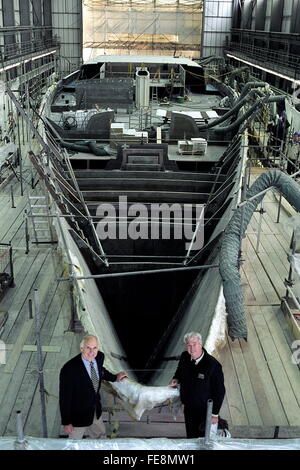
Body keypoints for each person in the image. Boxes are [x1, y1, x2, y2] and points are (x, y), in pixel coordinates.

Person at [59, 334, 128, 439]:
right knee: (74, 444)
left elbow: (101, 371)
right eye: (88, 348)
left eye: (94, 348)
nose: (92, 352)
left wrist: (115, 377)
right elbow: (64, 398)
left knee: (100, 438)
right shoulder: (69, 369)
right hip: (78, 416)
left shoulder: (99, 357)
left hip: (95, 411)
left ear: (98, 348)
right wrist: (66, 422)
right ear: (81, 348)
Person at [169, 331, 225, 438]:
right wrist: (176, 378)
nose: (191, 348)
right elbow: (180, 370)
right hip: (189, 408)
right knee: (190, 436)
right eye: (189, 345)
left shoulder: (213, 365)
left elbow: (219, 392)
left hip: (205, 411)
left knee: (204, 438)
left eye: (194, 344)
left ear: (200, 344)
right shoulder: (185, 357)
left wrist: (214, 414)